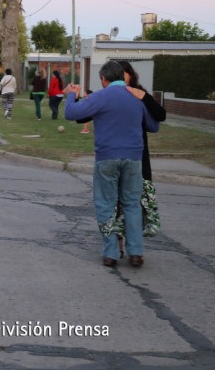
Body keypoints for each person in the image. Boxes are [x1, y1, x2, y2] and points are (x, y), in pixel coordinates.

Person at [64, 60, 160, 268]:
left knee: (106, 204)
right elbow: (153, 126)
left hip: (107, 157)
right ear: (122, 76)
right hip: (134, 158)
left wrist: (70, 94)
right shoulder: (136, 96)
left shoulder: (101, 96)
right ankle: (136, 252)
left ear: (103, 79)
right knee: (132, 204)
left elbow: (71, 113)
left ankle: (111, 252)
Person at [112, 60, 167, 254]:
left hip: (138, 154)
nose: (119, 77)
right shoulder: (110, 93)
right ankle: (117, 241)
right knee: (116, 199)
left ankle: (133, 244)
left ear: (129, 74)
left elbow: (160, 115)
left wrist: (144, 97)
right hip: (114, 153)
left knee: (137, 200)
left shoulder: (139, 93)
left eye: (122, 73)